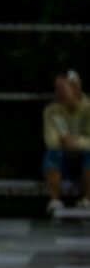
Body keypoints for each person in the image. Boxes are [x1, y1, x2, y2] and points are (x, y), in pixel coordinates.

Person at [42, 69, 90, 212]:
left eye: (62, 88)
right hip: (63, 158)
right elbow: (51, 140)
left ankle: (87, 199)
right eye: (57, 89)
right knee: (51, 154)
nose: (59, 93)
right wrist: (65, 142)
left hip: (83, 158)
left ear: (75, 88)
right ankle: (55, 200)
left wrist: (77, 142)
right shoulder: (51, 110)